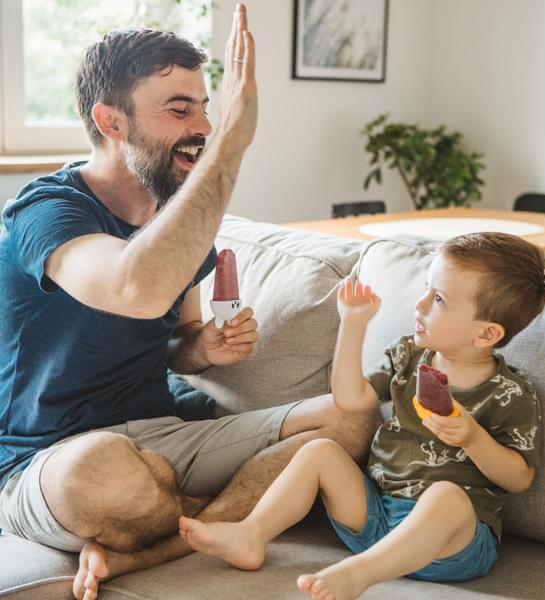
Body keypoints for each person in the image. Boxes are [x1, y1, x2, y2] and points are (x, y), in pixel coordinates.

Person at [0, 5, 380, 600]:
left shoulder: (176, 219)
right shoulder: (46, 210)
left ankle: (154, 543)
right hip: (51, 457)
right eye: (180, 110)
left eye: (207, 107)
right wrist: (234, 137)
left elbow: (179, 339)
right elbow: (134, 287)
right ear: (111, 121)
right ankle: (228, 515)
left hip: (163, 436)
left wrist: (203, 346)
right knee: (100, 471)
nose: (202, 125)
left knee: (352, 414)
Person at [178, 232, 545, 600]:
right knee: (320, 451)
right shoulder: (409, 356)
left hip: (451, 545)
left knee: (447, 496)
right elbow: (349, 398)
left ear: (486, 334)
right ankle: (252, 534)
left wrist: (472, 438)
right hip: (376, 516)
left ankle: (361, 574)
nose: (420, 304)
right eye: (426, 289)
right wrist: (353, 324)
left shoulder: (510, 393)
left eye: (439, 299)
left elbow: (519, 477)